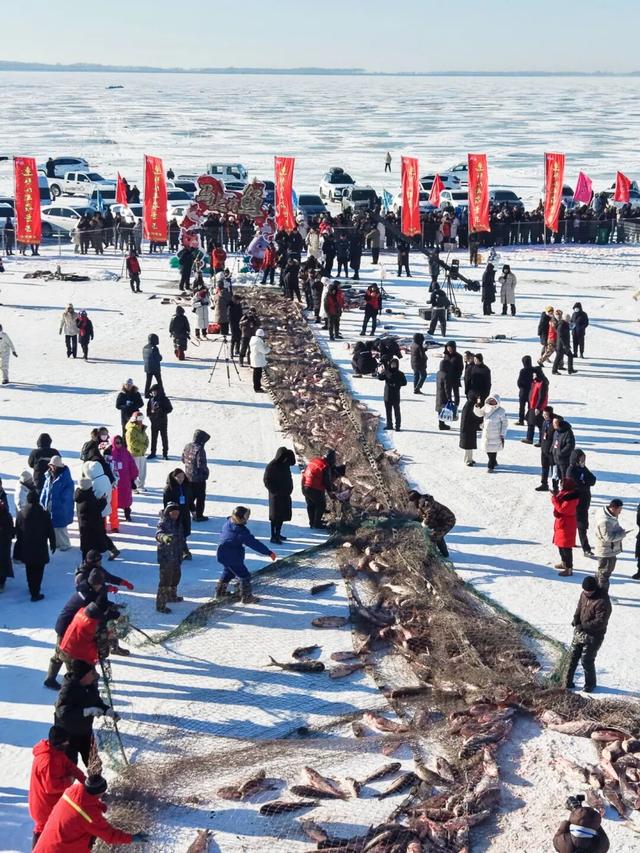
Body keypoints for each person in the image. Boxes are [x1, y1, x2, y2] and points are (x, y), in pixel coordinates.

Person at [33, 774, 146, 851]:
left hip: (47, 844)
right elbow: (109, 835)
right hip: (61, 849)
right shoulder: (87, 813)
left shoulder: (71, 792)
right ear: (99, 792)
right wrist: (131, 838)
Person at [28, 726, 86, 848]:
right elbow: (51, 787)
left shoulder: (57, 752)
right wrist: (69, 781)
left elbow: (70, 766)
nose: (68, 744)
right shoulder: (46, 760)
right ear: (58, 743)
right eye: (65, 742)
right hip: (43, 806)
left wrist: (85, 781)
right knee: (43, 831)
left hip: (52, 803)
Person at [54, 659, 113, 767]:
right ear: (84, 675)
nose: (96, 675)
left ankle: (96, 783)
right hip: (68, 737)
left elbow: (97, 701)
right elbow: (62, 713)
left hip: (85, 733)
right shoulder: (68, 689)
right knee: (69, 769)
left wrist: (106, 710)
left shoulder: (90, 686)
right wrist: (86, 711)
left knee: (95, 765)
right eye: (92, 673)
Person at [215, 506, 276, 603]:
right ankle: (246, 597)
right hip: (232, 557)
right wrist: (268, 552)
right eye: (246, 516)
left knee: (228, 572)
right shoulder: (241, 533)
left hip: (222, 554)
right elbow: (255, 544)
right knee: (244, 575)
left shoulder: (228, 523)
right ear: (240, 519)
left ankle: (220, 592)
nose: (247, 518)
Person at [564, 576, 611, 693]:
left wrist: (584, 626)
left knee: (586, 660)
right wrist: (576, 618)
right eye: (585, 591)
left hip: (594, 635)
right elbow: (579, 607)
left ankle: (590, 684)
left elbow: (600, 621)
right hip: (580, 631)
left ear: (594, 589)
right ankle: (567, 681)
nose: (586, 593)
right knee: (572, 656)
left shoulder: (603, 601)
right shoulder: (583, 594)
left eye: (589, 592)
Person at [14, 490, 56, 601]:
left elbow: (17, 530)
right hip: (40, 547)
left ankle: (31, 587)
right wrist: (53, 543)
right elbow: (50, 530)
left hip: (26, 546)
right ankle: (35, 592)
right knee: (39, 569)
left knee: (29, 568)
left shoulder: (21, 513)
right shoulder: (44, 513)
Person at [155, 503, 186, 613]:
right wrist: (164, 538)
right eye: (173, 513)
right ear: (168, 513)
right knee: (165, 581)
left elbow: (181, 538)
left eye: (177, 513)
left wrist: (184, 550)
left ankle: (171, 596)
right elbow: (159, 534)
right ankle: (161, 605)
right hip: (166, 557)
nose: (176, 515)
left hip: (177, 555)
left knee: (176, 577)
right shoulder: (163, 522)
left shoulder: (178, 523)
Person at [407, 490, 456, 558]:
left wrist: (425, 523)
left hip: (447, 520)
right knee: (437, 536)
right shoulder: (420, 503)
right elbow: (422, 515)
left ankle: (437, 555)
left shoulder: (425, 503)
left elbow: (430, 515)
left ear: (415, 499)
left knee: (434, 537)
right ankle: (444, 554)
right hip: (438, 520)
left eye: (412, 501)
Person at [567, 449, 597, 558]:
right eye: (581, 459)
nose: (583, 461)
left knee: (579, 522)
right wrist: (584, 483)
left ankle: (573, 541)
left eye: (584, 459)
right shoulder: (571, 470)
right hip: (576, 501)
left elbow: (593, 480)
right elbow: (576, 485)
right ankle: (586, 548)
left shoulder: (583, 468)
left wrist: (585, 481)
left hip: (585, 500)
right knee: (581, 524)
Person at [40, 456, 74, 551]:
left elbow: (68, 494)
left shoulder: (65, 478)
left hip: (60, 507)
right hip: (50, 505)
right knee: (53, 526)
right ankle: (57, 543)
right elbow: (45, 489)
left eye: (53, 465)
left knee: (61, 527)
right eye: (50, 465)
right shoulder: (49, 475)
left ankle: (65, 544)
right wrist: (42, 501)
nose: (51, 467)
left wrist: (60, 504)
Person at [593, 499, 629, 588]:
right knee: (604, 575)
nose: (620, 512)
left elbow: (614, 527)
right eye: (619, 510)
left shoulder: (609, 515)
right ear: (613, 508)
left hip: (608, 550)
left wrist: (620, 530)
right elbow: (608, 538)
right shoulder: (605, 521)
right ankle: (602, 596)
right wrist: (622, 534)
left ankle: (595, 591)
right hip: (606, 552)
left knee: (602, 572)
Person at [263, 447, 296, 543]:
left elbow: (289, 476)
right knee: (275, 517)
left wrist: (289, 489)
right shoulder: (272, 466)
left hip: (285, 494)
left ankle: (278, 533)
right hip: (276, 496)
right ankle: (274, 536)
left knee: (281, 516)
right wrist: (275, 491)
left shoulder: (285, 465)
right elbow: (266, 481)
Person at [551, 477, 581, 576]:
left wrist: (554, 499)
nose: (560, 486)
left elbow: (562, 509)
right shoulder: (565, 493)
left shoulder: (571, 498)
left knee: (566, 547)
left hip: (566, 524)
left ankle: (569, 568)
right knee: (560, 545)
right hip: (561, 523)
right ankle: (564, 563)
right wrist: (555, 495)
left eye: (562, 484)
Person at [301, 449, 336, 529]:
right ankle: (317, 524)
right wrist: (330, 492)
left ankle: (312, 522)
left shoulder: (315, 461)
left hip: (304, 485)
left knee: (311, 504)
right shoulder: (324, 466)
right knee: (321, 505)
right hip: (313, 487)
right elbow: (326, 481)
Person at [163, 470, 192, 560]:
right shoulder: (169, 488)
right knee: (178, 533)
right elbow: (166, 503)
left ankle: (183, 550)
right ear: (174, 477)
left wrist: (193, 510)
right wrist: (168, 514)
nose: (181, 479)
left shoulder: (186, 486)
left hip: (185, 513)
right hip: (175, 514)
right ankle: (183, 551)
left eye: (182, 477)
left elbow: (190, 499)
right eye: (178, 477)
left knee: (185, 531)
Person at [474, 395, 508, 472]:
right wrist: (477, 407)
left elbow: (505, 423)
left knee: (493, 449)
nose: (492, 402)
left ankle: (491, 465)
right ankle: (493, 461)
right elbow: (479, 414)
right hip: (487, 433)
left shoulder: (501, 411)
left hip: (496, 434)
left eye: (494, 400)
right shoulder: (486, 407)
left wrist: (502, 433)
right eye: (491, 400)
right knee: (487, 449)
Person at [181, 430, 210, 522]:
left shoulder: (187, 446)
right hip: (199, 478)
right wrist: (206, 473)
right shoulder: (200, 449)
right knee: (200, 498)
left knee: (190, 497)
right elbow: (201, 465)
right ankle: (198, 515)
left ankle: (184, 511)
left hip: (188, 476)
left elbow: (182, 459)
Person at [110, 436, 138, 523]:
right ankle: (113, 517)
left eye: (120, 442)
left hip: (125, 480)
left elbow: (132, 464)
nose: (119, 444)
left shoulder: (126, 452)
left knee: (126, 499)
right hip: (115, 481)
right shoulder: (110, 453)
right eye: (117, 442)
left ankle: (127, 514)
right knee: (114, 499)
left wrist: (133, 478)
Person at [378, 357, 407, 432]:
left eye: (395, 364)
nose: (393, 366)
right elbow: (380, 378)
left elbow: (404, 382)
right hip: (387, 394)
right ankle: (389, 425)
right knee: (388, 411)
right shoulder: (387, 372)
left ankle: (398, 426)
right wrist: (380, 372)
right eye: (392, 364)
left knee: (397, 411)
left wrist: (397, 384)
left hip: (396, 394)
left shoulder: (400, 373)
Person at [523, 368, 549, 444]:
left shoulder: (543, 383)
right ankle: (529, 438)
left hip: (539, 407)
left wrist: (538, 407)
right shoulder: (535, 381)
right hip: (532, 406)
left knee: (540, 425)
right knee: (530, 422)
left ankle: (542, 441)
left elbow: (542, 396)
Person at [146, 384, 173, 460]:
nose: (153, 393)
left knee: (164, 437)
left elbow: (170, 409)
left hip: (162, 422)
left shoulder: (164, 399)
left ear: (159, 391)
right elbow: (148, 411)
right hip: (154, 422)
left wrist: (162, 410)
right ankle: (153, 453)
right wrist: (150, 417)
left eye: (155, 391)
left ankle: (165, 454)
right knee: (153, 438)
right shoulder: (151, 400)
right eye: (152, 391)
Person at [125, 412, 149, 492]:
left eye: (142, 419)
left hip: (142, 453)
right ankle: (134, 486)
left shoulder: (142, 429)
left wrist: (145, 446)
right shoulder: (131, 430)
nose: (141, 421)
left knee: (142, 471)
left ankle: (141, 486)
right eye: (139, 419)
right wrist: (142, 447)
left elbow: (146, 438)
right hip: (134, 454)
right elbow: (132, 442)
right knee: (135, 472)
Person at [459, 393, 484, 466]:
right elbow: (475, 416)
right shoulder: (471, 406)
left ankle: (469, 458)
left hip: (469, 429)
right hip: (468, 429)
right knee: (468, 445)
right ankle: (468, 460)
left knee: (469, 445)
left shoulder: (469, 405)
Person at [534, 406, 555, 491]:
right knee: (544, 467)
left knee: (554, 470)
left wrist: (552, 449)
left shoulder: (554, 423)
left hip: (551, 451)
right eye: (544, 414)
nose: (544, 416)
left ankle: (555, 487)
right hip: (544, 449)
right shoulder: (544, 422)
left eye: (546, 414)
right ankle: (544, 484)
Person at [551, 415, 575, 490]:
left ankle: (564, 491)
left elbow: (570, 445)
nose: (553, 424)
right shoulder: (556, 431)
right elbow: (554, 441)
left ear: (559, 423)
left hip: (563, 460)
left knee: (563, 477)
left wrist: (560, 453)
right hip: (555, 458)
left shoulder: (568, 432)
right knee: (555, 475)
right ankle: (555, 490)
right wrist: (551, 450)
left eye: (555, 422)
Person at [0, 497, 15, 592]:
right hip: (5, 545)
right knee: (4, 563)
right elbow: (11, 532)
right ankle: (2, 583)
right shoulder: (8, 516)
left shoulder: (7, 517)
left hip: (4, 544)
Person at [435, 358, 454, 431]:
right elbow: (447, 388)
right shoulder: (446, 375)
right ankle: (442, 425)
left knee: (440, 409)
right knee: (443, 409)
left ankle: (441, 423)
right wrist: (449, 398)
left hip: (439, 393)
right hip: (443, 395)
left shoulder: (438, 373)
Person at [444, 341, 464, 411]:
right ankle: (449, 405)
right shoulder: (446, 355)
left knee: (456, 393)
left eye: (450, 347)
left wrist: (458, 375)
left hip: (455, 378)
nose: (449, 349)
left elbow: (461, 368)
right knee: (447, 393)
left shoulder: (459, 356)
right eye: (448, 347)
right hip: (447, 378)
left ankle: (456, 406)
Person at [249, 328, 270, 393]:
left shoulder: (254, 340)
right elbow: (264, 351)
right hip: (258, 359)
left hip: (255, 358)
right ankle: (257, 388)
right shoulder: (258, 342)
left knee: (256, 373)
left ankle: (257, 386)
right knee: (257, 375)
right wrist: (269, 348)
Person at [516, 355, 535, 425]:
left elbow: (519, 382)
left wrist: (521, 387)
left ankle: (521, 420)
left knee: (521, 407)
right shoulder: (534, 370)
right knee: (531, 407)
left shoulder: (523, 371)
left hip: (523, 392)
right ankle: (530, 420)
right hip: (532, 392)